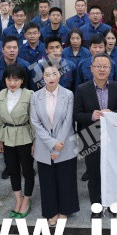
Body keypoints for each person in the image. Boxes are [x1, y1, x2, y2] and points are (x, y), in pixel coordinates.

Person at [73, 53, 117, 217]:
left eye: (105, 66)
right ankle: (96, 207)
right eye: (98, 66)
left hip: (113, 136)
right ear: (91, 69)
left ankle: (112, 204)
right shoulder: (82, 89)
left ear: (110, 69)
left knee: (113, 173)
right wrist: (91, 116)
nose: (101, 70)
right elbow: (76, 115)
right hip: (90, 135)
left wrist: (114, 113)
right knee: (94, 174)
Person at [31, 63, 79, 226]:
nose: (51, 78)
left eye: (54, 74)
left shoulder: (68, 94)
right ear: (42, 77)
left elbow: (68, 121)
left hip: (65, 143)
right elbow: (35, 122)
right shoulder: (35, 96)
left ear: (60, 75)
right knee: (47, 180)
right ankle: (51, 211)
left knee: (66, 178)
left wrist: (58, 145)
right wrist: (52, 144)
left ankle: (65, 210)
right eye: (47, 75)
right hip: (44, 145)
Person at [0, 64, 35, 218]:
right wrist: (0, 140)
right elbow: (0, 120)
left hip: (25, 135)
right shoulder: (1, 94)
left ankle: (27, 199)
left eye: (16, 79)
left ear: (22, 80)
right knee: (13, 170)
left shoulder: (29, 95)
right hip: (7, 137)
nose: (12, 83)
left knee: (27, 170)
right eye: (9, 79)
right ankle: (18, 200)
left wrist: (35, 142)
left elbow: (33, 120)